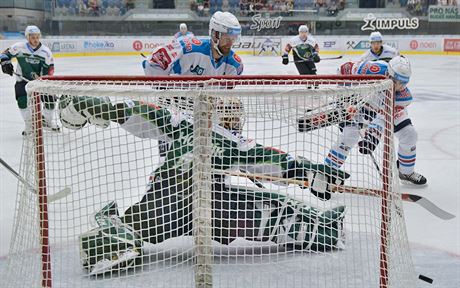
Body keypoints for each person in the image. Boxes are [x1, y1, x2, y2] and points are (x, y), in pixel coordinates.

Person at [58, 94, 349, 276]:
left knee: (263, 209)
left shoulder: (184, 122)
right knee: (269, 209)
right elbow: (274, 160)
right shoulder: (229, 140)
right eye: (232, 115)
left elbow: (137, 113)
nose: (237, 120)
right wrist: (312, 173)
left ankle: (112, 232)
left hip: (188, 198)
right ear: (220, 115)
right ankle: (322, 229)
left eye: (238, 115)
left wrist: (101, 107)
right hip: (182, 199)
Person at [143, 11, 244, 160]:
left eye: (233, 39)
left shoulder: (234, 65)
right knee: (172, 154)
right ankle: (165, 162)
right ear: (215, 35)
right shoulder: (188, 47)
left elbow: (225, 93)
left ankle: (225, 155)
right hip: (176, 104)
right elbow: (151, 64)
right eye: (227, 38)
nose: (230, 43)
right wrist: (167, 87)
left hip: (206, 108)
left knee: (234, 106)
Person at [324, 56, 427, 185]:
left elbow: (382, 118)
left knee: (409, 133)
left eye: (405, 83)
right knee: (349, 136)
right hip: (358, 105)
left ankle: (406, 171)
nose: (401, 87)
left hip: (379, 110)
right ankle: (327, 172)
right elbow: (344, 69)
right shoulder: (370, 69)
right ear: (389, 75)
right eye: (399, 82)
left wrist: (372, 137)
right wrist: (344, 97)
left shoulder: (403, 97)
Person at [0, 25, 59, 135]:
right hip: (22, 80)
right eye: (32, 37)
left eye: (37, 37)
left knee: (50, 99)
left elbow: (50, 70)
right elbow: (4, 54)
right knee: (22, 101)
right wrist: (5, 62)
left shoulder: (46, 52)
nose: (35, 40)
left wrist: (44, 79)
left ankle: (47, 121)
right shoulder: (18, 47)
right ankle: (29, 124)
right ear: (27, 37)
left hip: (40, 81)